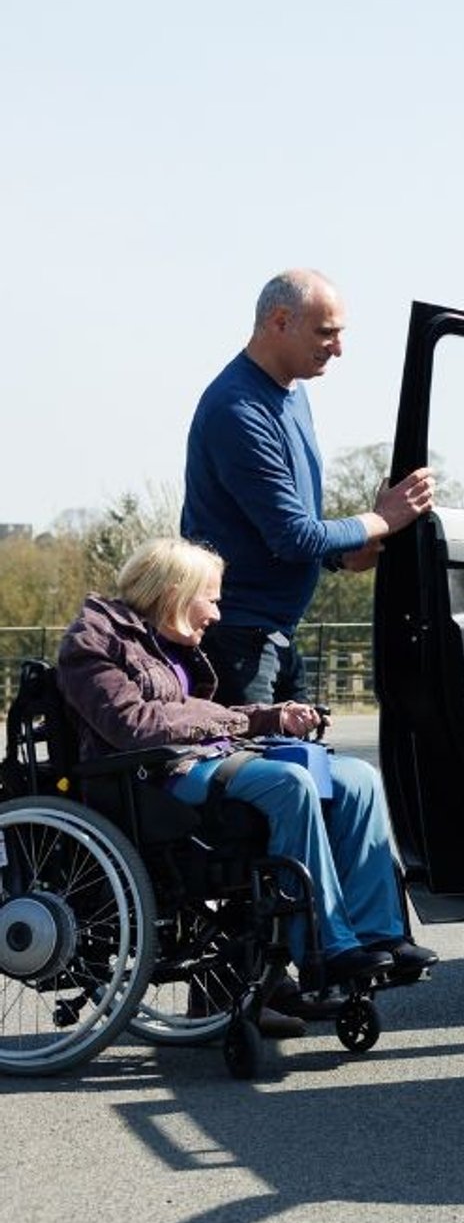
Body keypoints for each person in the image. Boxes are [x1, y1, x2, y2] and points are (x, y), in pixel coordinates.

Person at [55, 537, 438, 1007]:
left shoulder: (166, 643)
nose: (216, 614)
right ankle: (326, 949)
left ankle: (380, 935)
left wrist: (273, 717)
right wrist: (238, 721)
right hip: (151, 780)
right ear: (177, 589)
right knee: (288, 784)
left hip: (202, 761)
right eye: (211, 599)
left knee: (358, 778)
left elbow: (198, 713)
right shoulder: (93, 641)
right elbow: (134, 725)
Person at [181, 267, 436, 705]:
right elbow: (293, 535)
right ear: (280, 322)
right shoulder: (238, 409)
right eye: (326, 333)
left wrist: (341, 554)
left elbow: (283, 528)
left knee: (302, 762)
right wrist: (382, 518)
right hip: (237, 638)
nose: (338, 349)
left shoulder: (292, 393)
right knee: (262, 773)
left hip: (274, 633)